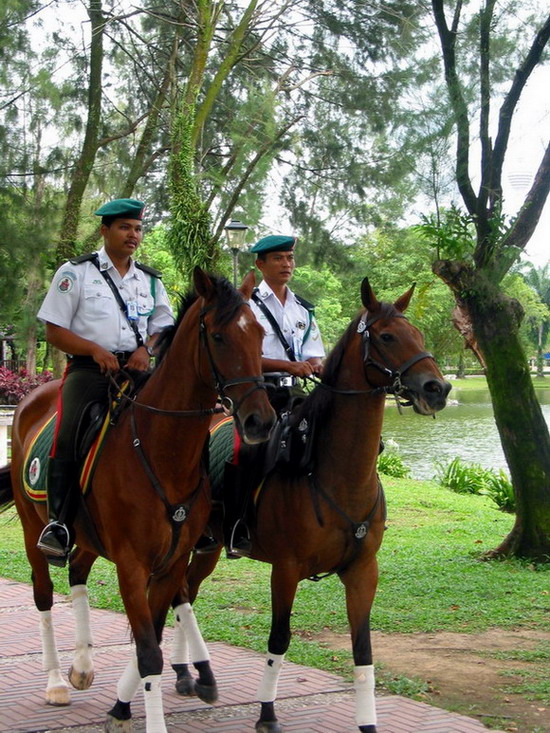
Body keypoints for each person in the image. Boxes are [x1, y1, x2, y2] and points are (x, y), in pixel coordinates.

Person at [36, 198, 174, 566]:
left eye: (138, 228)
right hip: (90, 372)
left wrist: (147, 347)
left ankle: (191, 516)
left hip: (139, 372)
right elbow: (54, 331)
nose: (133, 235)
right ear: (105, 230)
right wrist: (94, 350)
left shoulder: (150, 280)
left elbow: (165, 328)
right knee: (68, 433)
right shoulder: (76, 273)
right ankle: (59, 525)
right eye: (125, 227)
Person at [226, 234, 326, 556]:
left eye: (290, 258)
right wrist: (287, 365)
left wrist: (316, 365)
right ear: (260, 264)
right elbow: (242, 354)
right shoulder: (247, 306)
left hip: (295, 392)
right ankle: (237, 523)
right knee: (248, 450)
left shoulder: (302, 309)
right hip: (257, 391)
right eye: (279, 258)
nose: (286, 264)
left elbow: (313, 354)